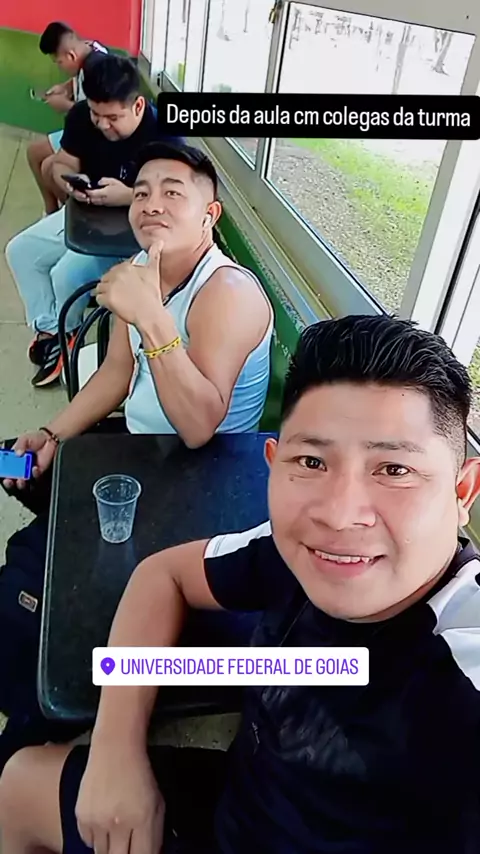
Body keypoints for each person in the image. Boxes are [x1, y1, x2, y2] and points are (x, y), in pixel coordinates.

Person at [1, 314, 480, 854]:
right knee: (16, 784)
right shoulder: (292, 545)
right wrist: (116, 746)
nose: (340, 515)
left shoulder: (461, 671)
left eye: (394, 470)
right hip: (242, 800)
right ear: (274, 463)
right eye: (312, 461)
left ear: (462, 491)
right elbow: (163, 573)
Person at [2, 140, 274, 518]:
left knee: (37, 545)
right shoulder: (140, 265)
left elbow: (198, 428)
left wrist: (150, 316)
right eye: (142, 193)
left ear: (209, 215)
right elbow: (118, 370)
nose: (152, 205)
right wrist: (52, 434)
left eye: (172, 193)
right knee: (23, 462)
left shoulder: (227, 293)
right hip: (143, 443)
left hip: (206, 474)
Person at [6, 54, 184, 387]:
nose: (102, 125)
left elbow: (176, 202)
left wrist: (130, 195)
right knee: (20, 251)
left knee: (65, 275)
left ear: (138, 106)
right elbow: (62, 162)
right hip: (87, 214)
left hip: (136, 232)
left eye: (113, 117)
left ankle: (68, 330)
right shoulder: (80, 117)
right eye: (95, 114)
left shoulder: (165, 134)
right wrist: (70, 183)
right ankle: (54, 333)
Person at [27, 21, 108, 215]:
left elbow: (100, 118)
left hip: (93, 136)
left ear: (71, 55)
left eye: (59, 62)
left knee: (48, 168)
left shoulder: (97, 71)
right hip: (81, 130)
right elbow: (78, 77)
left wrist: (65, 106)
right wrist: (66, 87)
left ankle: (69, 214)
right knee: (34, 153)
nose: (59, 67)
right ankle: (50, 211)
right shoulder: (89, 48)